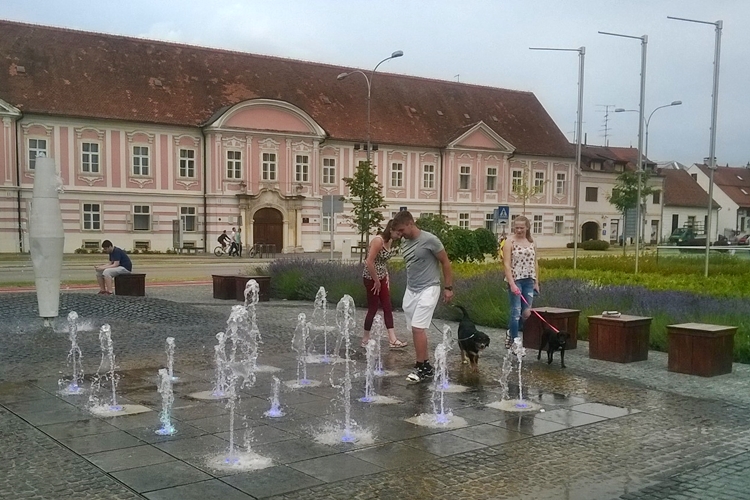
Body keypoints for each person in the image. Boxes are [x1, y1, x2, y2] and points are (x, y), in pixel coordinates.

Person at [390, 211, 454, 382]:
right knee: (415, 330)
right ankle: (426, 365)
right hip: (411, 290)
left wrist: (448, 287)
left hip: (429, 288)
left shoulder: (430, 240)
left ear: (411, 223)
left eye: (402, 230)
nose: (400, 234)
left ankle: (420, 368)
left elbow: (445, 262)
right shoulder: (404, 241)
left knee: (418, 328)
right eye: (399, 232)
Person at [361, 220, 408, 349]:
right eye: (398, 233)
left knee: (388, 306)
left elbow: (382, 263)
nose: (399, 236)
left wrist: (385, 277)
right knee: (373, 307)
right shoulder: (378, 241)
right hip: (371, 277)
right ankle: (365, 339)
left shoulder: (390, 241)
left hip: (382, 276)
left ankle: (392, 339)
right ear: (391, 229)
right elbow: (369, 262)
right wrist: (376, 280)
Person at [502, 215, 540, 349]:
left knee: (526, 313)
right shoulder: (509, 242)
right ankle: (515, 341)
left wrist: (536, 282)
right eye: (516, 227)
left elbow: (535, 263)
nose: (519, 230)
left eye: (521, 228)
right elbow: (506, 264)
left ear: (527, 228)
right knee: (516, 312)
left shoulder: (532, 242)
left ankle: (510, 332)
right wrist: (512, 284)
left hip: (529, 280)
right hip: (515, 279)